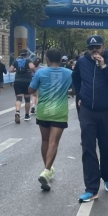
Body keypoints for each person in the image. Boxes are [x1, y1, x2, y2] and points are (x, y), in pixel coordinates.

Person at [72, 35, 108, 202]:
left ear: (104, 46)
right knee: (88, 147)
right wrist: (80, 96)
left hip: (107, 111)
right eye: (91, 48)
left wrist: (104, 66)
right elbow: (76, 79)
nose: (94, 50)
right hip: (87, 110)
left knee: (107, 146)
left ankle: (107, 177)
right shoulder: (82, 62)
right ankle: (91, 188)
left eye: (97, 47)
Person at [29, 48, 74, 191]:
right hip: (59, 113)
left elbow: (31, 90)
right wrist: (65, 90)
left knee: (45, 141)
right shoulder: (69, 73)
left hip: (43, 111)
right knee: (54, 142)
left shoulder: (40, 72)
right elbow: (75, 90)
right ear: (60, 60)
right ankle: (47, 170)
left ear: (47, 60)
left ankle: (47, 169)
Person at [10, 49, 36, 124]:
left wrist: (17, 70)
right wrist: (34, 72)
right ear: (27, 54)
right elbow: (31, 67)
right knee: (27, 99)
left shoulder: (16, 61)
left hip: (17, 81)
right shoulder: (28, 60)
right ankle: (27, 115)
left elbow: (11, 70)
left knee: (18, 98)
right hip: (27, 81)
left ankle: (17, 112)